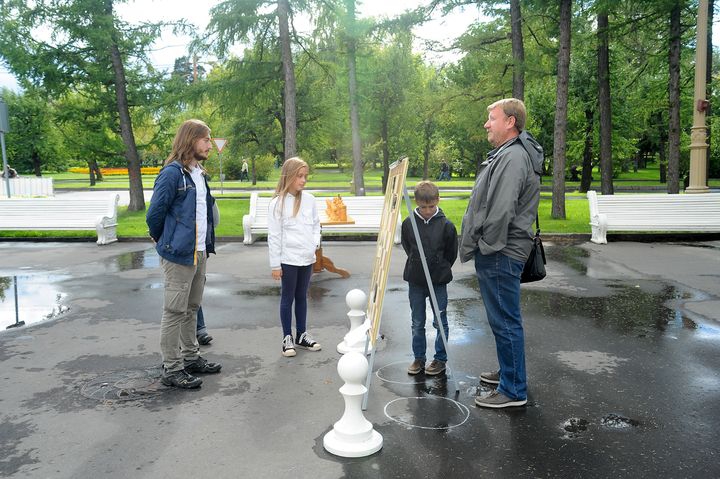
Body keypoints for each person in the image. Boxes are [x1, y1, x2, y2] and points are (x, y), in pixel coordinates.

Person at [459, 98, 543, 408]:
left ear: (510, 122)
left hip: (500, 251)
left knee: (506, 321)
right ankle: (510, 374)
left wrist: (487, 246)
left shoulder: (513, 157)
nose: (486, 124)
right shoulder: (511, 154)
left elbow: (500, 210)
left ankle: (513, 390)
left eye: (492, 118)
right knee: (503, 320)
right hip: (502, 250)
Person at [146, 119, 222, 389]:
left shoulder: (199, 173)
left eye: (210, 139)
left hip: (199, 253)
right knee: (174, 311)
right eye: (205, 139)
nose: (209, 144)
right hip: (178, 254)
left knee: (192, 308)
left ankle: (190, 358)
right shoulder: (172, 174)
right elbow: (154, 215)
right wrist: (164, 241)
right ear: (190, 140)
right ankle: (172, 368)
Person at [402, 181, 458, 376]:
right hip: (416, 281)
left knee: (440, 321)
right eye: (423, 207)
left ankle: (440, 359)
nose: (427, 211)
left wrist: (439, 267)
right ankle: (419, 357)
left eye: (431, 206)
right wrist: (418, 263)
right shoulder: (409, 223)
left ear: (438, 201)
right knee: (417, 322)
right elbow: (408, 247)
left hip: (438, 281)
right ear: (416, 202)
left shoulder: (446, 225)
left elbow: (451, 253)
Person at [268, 156, 322, 357]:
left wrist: (314, 244)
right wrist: (275, 265)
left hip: (306, 258)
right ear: (289, 176)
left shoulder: (310, 200)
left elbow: (316, 225)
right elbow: (274, 236)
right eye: (299, 176)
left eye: (305, 176)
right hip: (288, 259)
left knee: (302, 296)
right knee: (287, 297)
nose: (303, 180)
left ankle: (301, 334)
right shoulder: (277, 204)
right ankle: (287, 337)